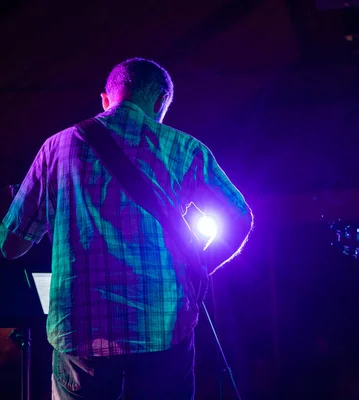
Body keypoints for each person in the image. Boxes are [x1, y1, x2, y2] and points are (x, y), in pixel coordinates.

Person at [0, 57, 254, 399]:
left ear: (106, 99)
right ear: (161, 103)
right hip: (163, 326)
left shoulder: (56, 148)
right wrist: (200, 267)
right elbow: (240, 217)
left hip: (81, 331)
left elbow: (10, 245)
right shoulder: (184, 147)